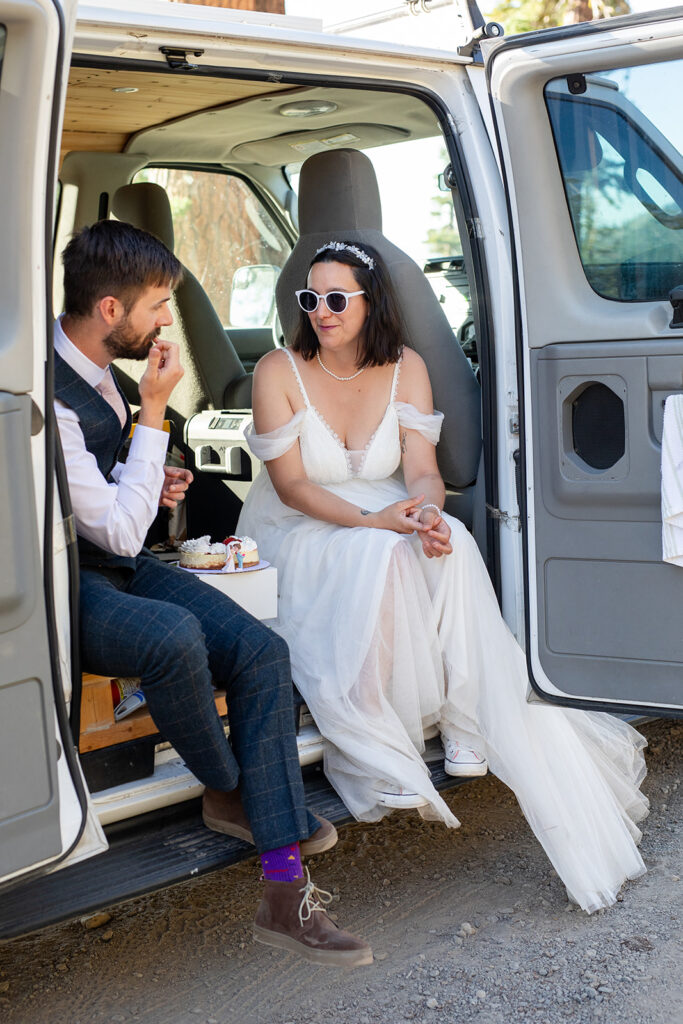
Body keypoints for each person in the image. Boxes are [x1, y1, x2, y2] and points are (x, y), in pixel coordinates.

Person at [237, 239, 649, 914]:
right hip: (299, 526)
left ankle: (462, 720)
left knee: (449, 539)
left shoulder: (406, 366)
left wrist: (425, 510)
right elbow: (289, 487)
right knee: (378, 553)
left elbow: (420, 466)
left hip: (383, 506)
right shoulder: (279, 369)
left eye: (337, 298)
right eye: (310, 298)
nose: (321, 311)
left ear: (371, 304)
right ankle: (377, 743)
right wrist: (374, 525)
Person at [54, 220, 372, 968]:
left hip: (112, 560)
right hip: (60, 582)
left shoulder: (105, 373)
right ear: (109, 310)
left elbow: (115, 510)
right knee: (172, 638)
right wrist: (156, 416)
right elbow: (118, 534)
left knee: (262, 650)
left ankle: (280, 896)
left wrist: (150, 473)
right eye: (158, 305)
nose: (167, 320)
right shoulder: (53, 393)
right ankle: (238, 794)